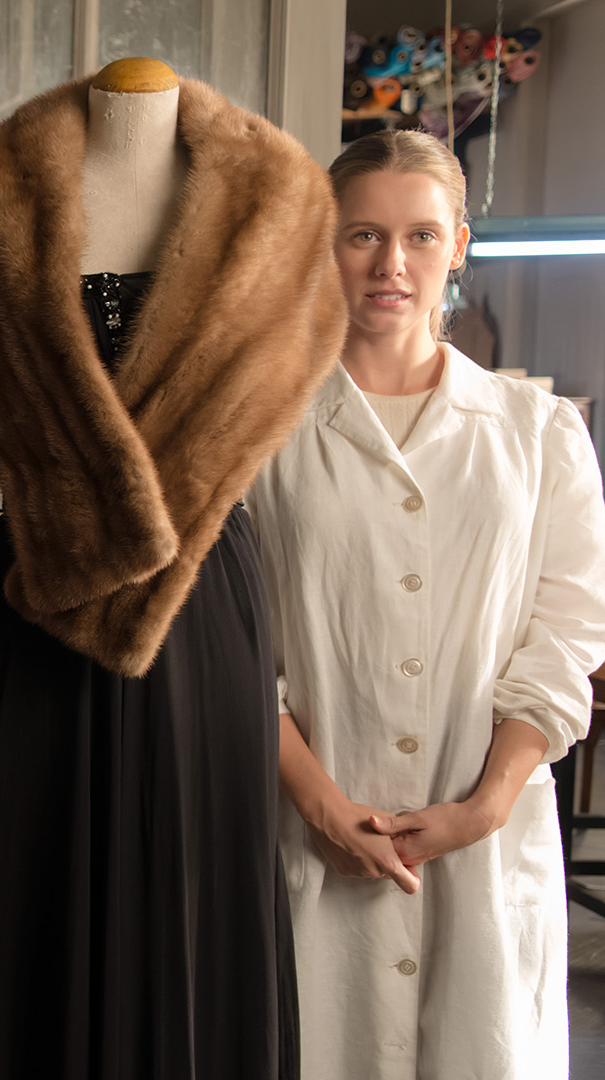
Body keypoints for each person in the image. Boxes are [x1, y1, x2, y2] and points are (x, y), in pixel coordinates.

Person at [248, 129, 605, 1079]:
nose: (390, 264)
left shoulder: (542, 434)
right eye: (363, 234)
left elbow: (567, 636)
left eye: (418, 235)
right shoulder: (260, 437)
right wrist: (325, 809)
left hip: (485, 850)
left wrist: (483, 809)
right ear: (325, 241)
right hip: (315, 841)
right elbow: (234, 653)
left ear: (457, 245)